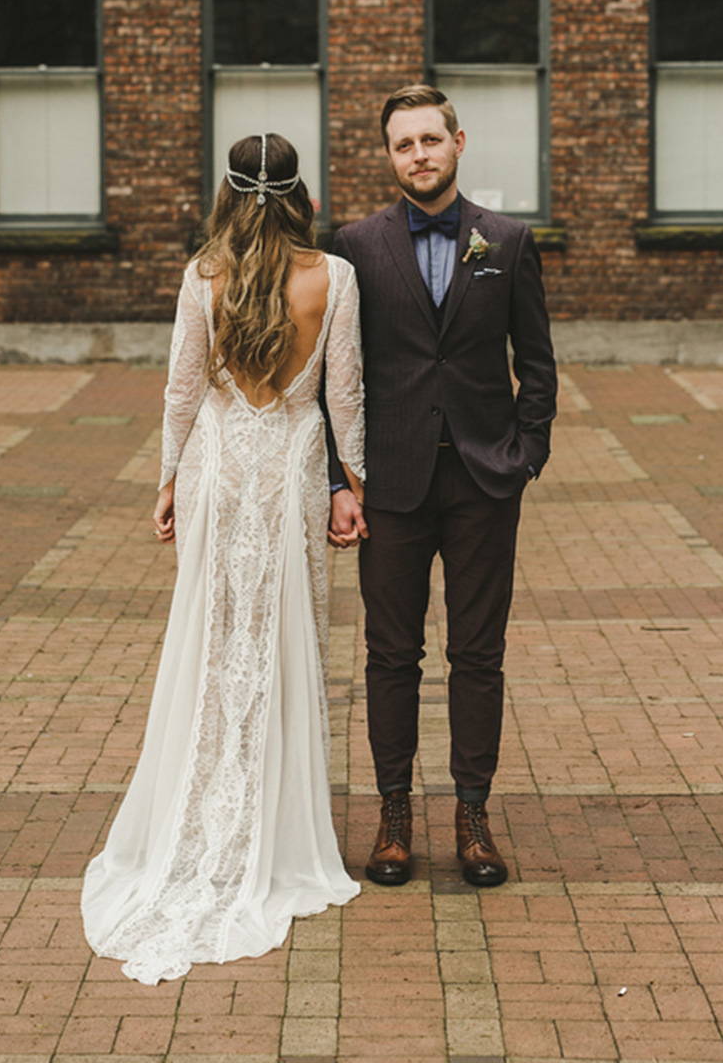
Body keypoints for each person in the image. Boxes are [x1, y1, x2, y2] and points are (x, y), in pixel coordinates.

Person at [83, 133, 365, 984]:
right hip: (288, 468)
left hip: (216, 465)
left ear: (229, 192)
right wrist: (356, 485)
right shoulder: (334, 278)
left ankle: (199, 809)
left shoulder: (203, 274)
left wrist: (166, 480)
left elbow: (180, 388)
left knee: (212, 643)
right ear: (299, 193)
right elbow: (342, 394)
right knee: (282, 644)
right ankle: (275, 831)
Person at [329, 84, 556, 888]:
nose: (417, 155)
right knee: (390, 655)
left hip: (482, 479)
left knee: (477, 653)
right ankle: (394, 816)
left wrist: (526, 453)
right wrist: (338, 480)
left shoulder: (506, 240)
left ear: (458, 142)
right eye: (402, 144)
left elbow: (535, 359)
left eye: (429, 139)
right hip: (389, 481)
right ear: (388, 156)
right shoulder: (353, 246)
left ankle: (471, 816)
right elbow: (335, 373)